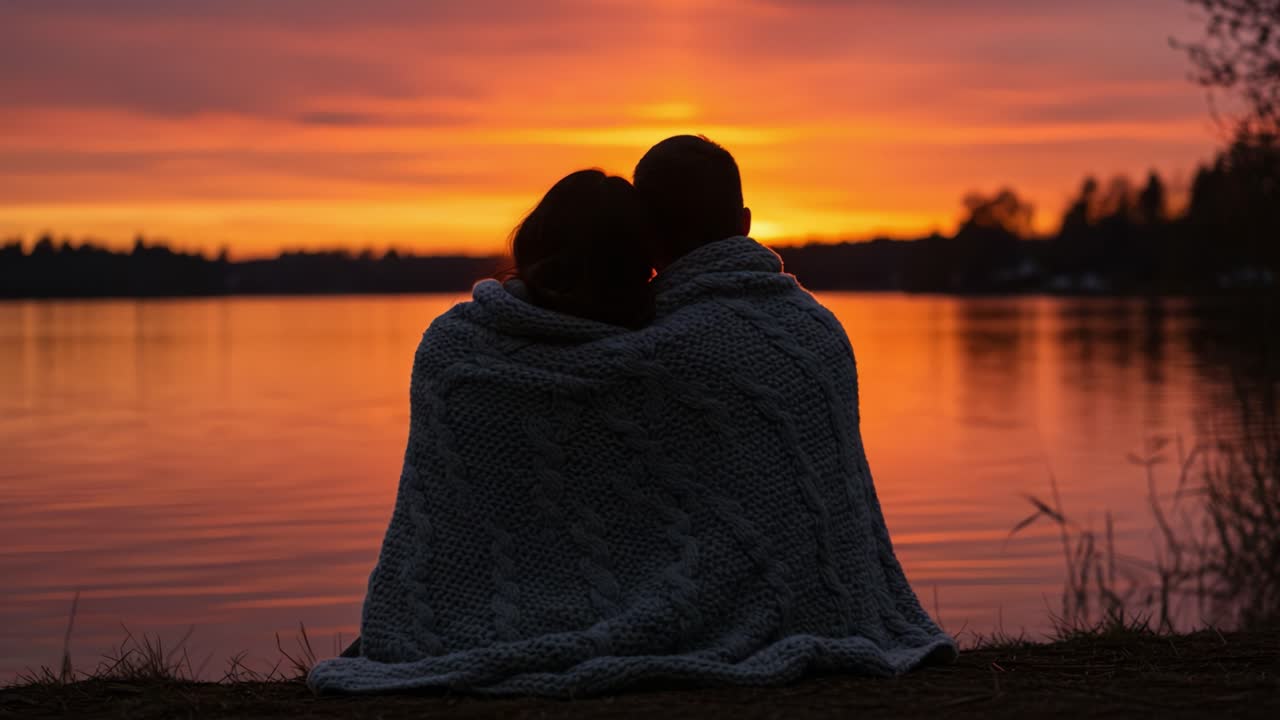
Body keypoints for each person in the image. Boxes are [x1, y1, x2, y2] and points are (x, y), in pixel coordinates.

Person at [309, 137, 956, 696]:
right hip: (834, 609)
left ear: (648, 236)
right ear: (746, 221)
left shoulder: (628, 349)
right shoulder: (818, 332)